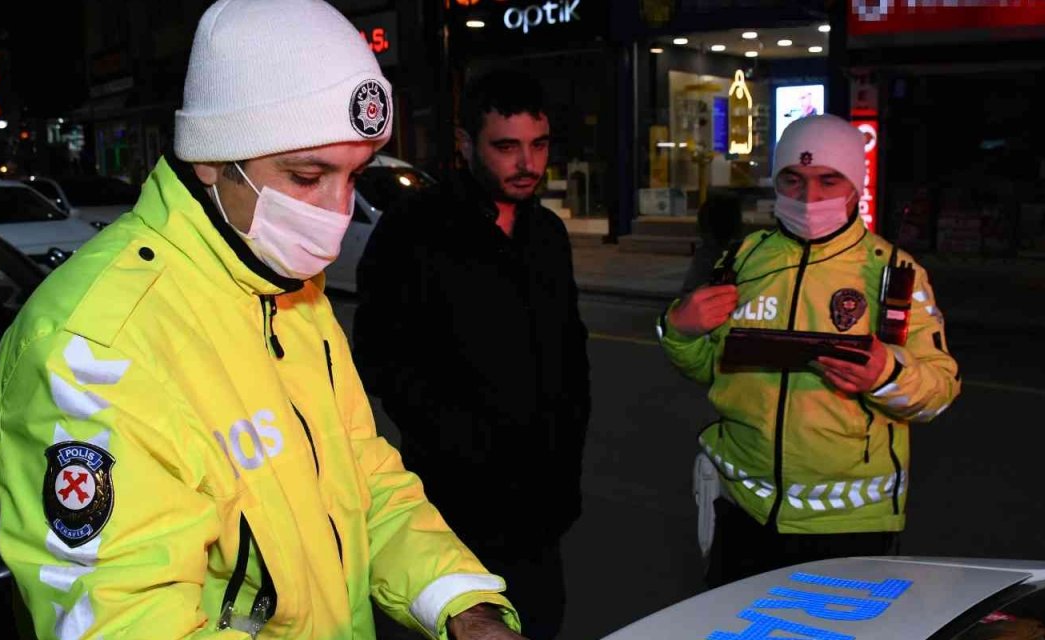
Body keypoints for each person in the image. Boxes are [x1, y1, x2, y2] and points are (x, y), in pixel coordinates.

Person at [0, 1, 525, 638]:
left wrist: (465, 608)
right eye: (307, 176)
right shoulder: (93, 345)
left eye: (354, 176)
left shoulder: (285, 289)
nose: (336, 214)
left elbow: (362, 479)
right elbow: (127, 621)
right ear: (212, 161)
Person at [659, 114, 961, 587]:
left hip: (847, 526)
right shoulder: (742, 259)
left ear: (854, 186)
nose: (808, 198)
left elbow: (939, 390)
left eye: (827, 180)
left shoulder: (894, 272)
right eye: (793, 180)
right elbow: (707, 370)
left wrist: (886, 375)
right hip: (741, 510)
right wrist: (680, 331)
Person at [352, 69, 590, 640]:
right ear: (465, 144)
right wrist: (458, 441)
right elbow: (382, 356)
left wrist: (565, 456)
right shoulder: (414, 229)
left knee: (540, 624)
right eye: (506, 147)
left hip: (542, 516)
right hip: (453, 514)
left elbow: (571, 354)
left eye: (538, 145)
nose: (527, 163)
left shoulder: (548, 234)